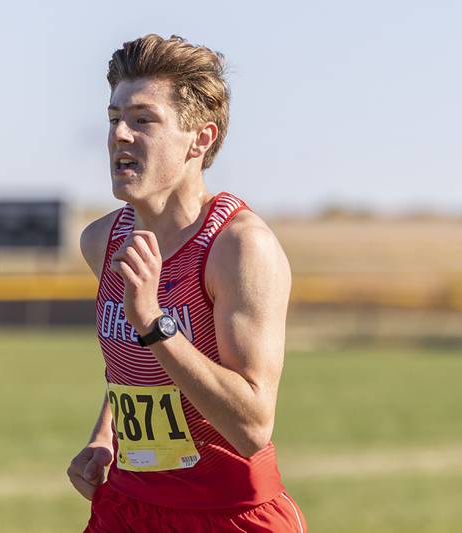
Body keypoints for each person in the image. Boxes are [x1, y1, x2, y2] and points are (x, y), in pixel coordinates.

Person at [67, 34, 307, 532]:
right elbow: (140, 373)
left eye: (143, 120)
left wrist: (154, 323)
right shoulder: (101, 242)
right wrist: (105, 436)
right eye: (114, 119)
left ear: (200, 137)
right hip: (127, 508)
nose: (120, 136)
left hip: (229, 515)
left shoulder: (239, 248)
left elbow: (253, 426)